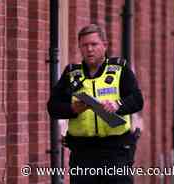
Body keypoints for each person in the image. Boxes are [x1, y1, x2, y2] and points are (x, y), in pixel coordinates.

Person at [47, 24, 144, 184]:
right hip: (82, 153)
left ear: (104, 46)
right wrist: (72, 109)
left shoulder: (119, 68)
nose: (89, 49)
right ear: (79, 47)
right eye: (84, 45)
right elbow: (53, 107)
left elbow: (137, 100)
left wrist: (118, 104)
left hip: (116, 151)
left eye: (94, 44)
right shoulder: (71, 74)